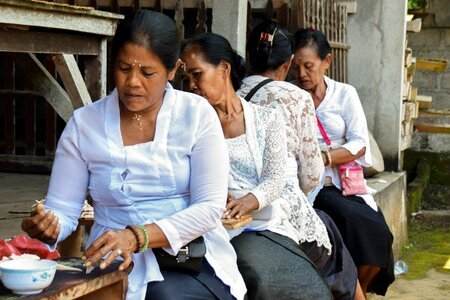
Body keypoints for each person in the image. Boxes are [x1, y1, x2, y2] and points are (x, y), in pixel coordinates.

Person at [21, 10, 247, 300]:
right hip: (109, 259)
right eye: (124, 68)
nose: (132, 82)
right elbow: (63, 210)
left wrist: (136, 237)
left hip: (187, 256)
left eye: (147, 72)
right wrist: (47, 225)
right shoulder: (84, 124)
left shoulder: (196, 115)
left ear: (173, 70)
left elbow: (208, 209)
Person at [181, 32, 332, 300]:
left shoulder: (266, 119)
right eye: (186, 79)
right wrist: (214, 197)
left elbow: (274, 179)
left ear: (224, 68)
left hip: (265, 219)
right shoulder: (190, 126)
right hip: (218, 225)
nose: (191, 85)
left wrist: (246, 202)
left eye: (197, 75)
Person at [237, 20, 363, 300]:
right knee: (333, 244)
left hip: (236, 208)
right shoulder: (295, 97)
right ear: (289, 62)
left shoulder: (231, 94)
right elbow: (311, 176)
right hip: (280, 210)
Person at [292, 28, 395, 297]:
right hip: (314, 187)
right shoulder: (290, 97)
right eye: (297, 66)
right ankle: (351, 293)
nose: (302, 73)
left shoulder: (345, 94)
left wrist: (324, 157)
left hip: (346, 183)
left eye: (309, 66)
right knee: (352, 222)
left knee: (379, 234)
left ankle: (351, 291)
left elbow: (359, 142)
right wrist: (320, 161)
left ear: (326, 62)